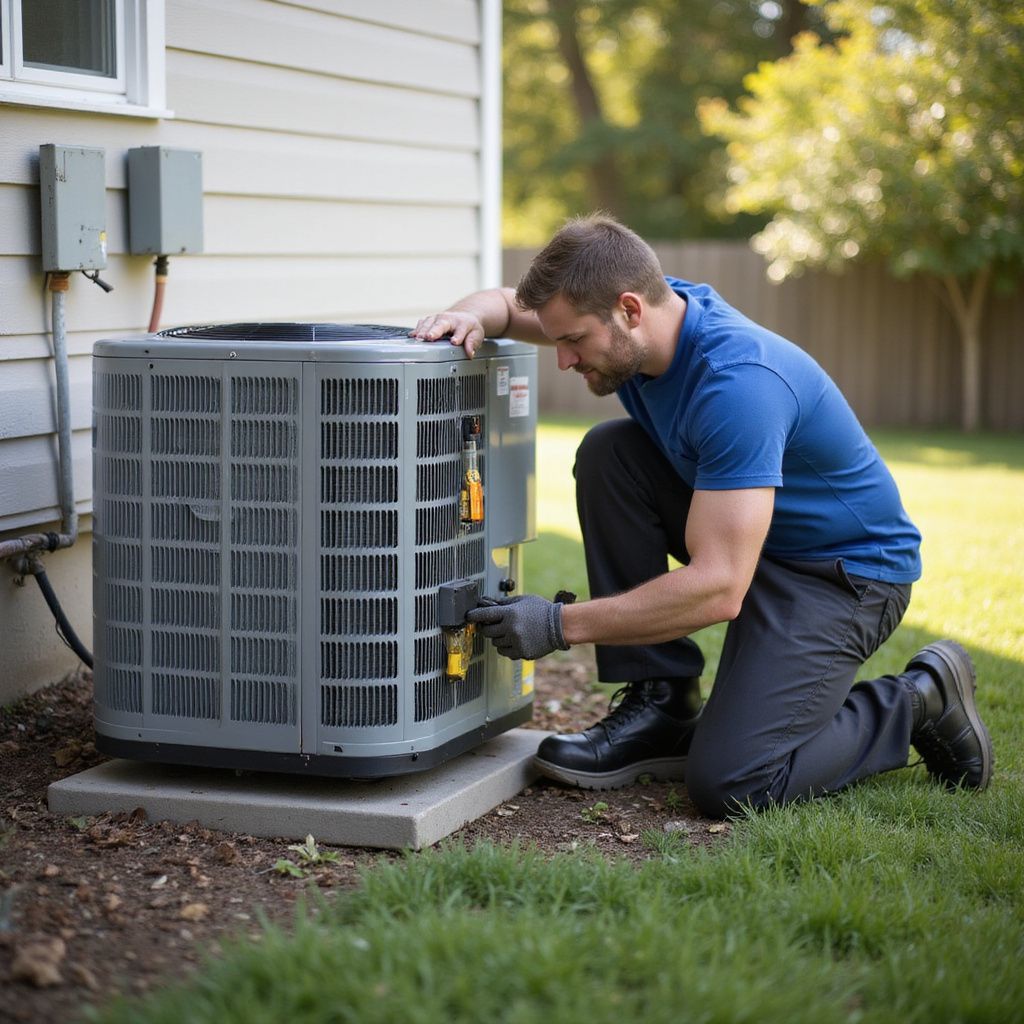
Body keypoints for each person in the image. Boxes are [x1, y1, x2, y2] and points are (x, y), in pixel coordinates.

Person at [411, 214, 993, 817]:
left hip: (843, 575)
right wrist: (470, 315)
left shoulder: (738, 385)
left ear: (630, 310)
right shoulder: (643, 317)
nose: (562, 359)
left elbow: (718, 589)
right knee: (614, 453)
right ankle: (662, 703)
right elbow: (507, 305)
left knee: (735, 781)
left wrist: (558, 624)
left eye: (573, 342)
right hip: (760, 544)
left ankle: (920, 698)